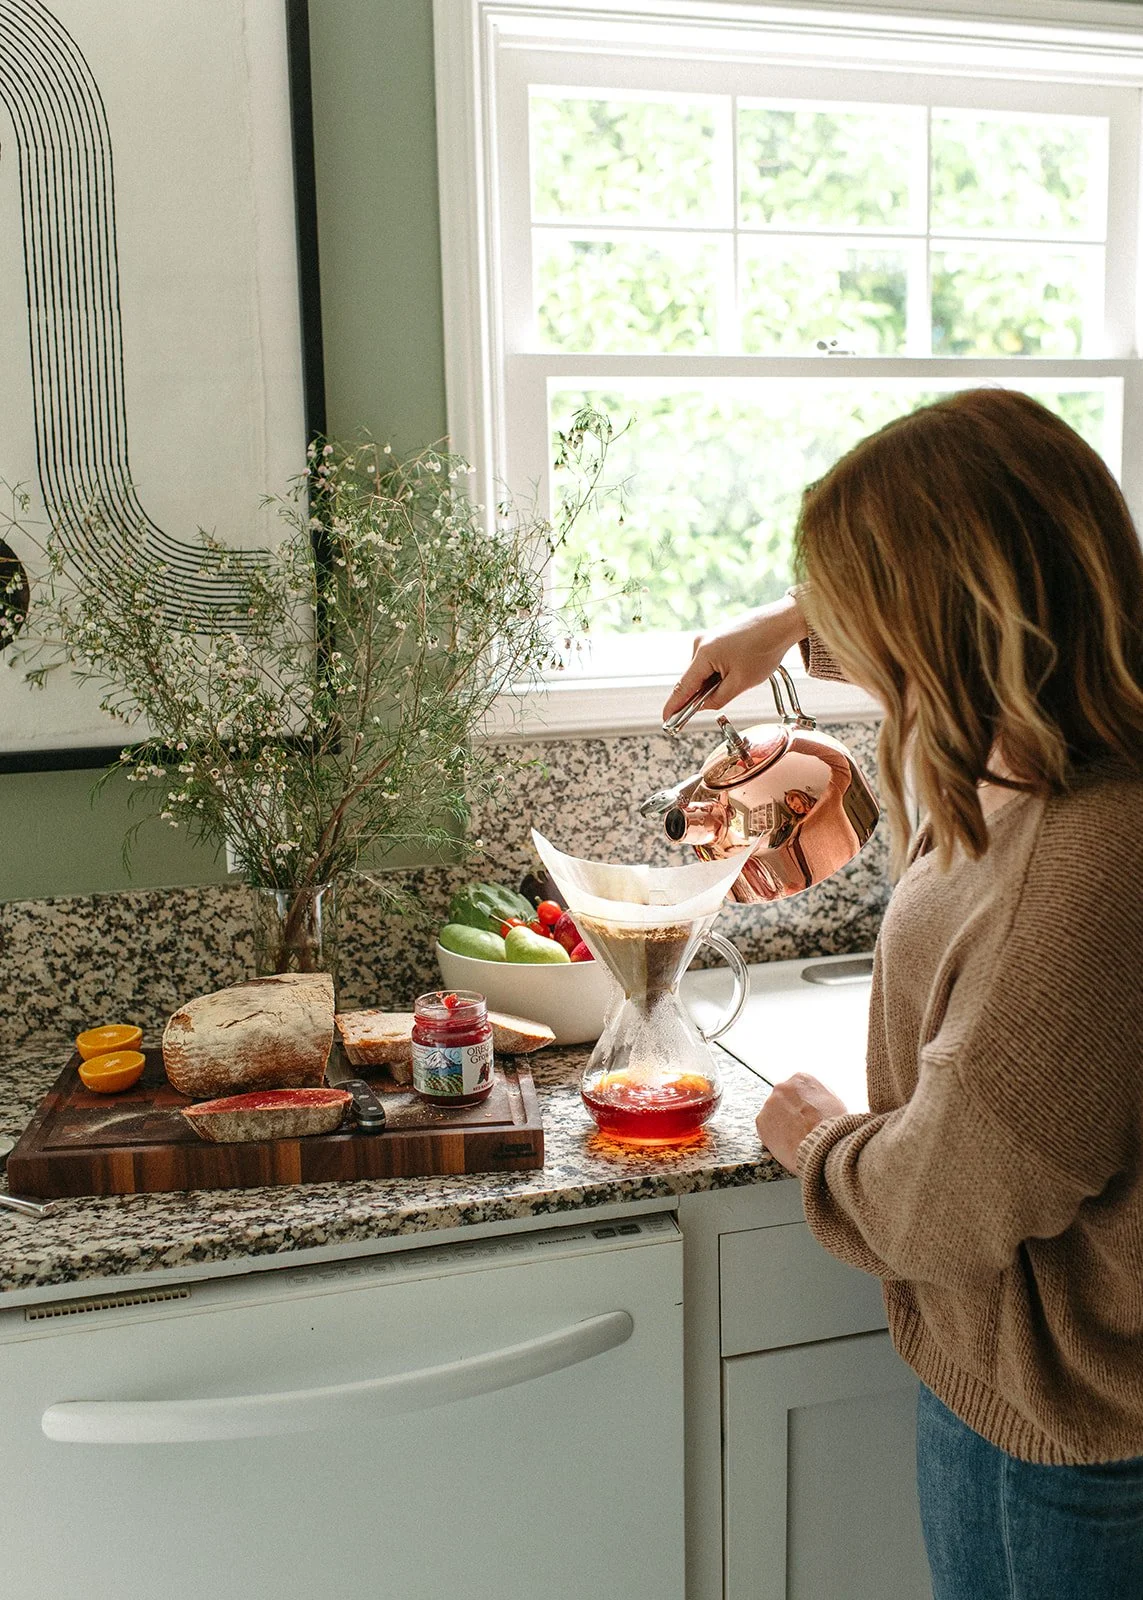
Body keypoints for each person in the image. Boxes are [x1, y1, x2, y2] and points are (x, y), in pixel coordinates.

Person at [662, 388, 1143, 1600]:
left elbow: (943, 1206)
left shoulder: (1083, 856)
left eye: (858, 604)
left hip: (1079, 1442)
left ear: (940, 612)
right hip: (1021, 1391)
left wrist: (817, 1138)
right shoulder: (1028, 749)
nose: (838, 647)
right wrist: (789, 619)